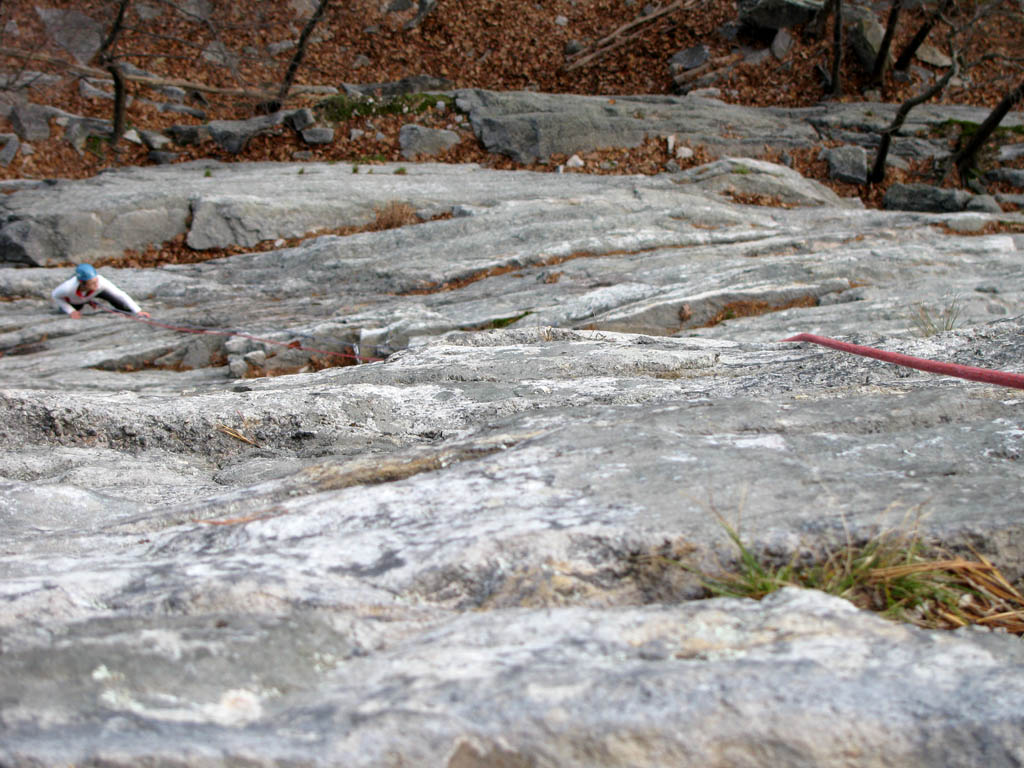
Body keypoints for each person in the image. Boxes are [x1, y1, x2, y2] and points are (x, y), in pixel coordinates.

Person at [51, 263, 150, 319]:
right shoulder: (68, 288)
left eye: (96, 281)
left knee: (114, 299)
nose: (96, 284)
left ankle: (128, 313)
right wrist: (71, 311)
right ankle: (88, 300)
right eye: (92, 283)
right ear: (82, 282)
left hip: (91, 294)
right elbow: (55, 295)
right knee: (76, 308)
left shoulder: (101, 282)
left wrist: (138, 311)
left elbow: (120, 294)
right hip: (76, 300)